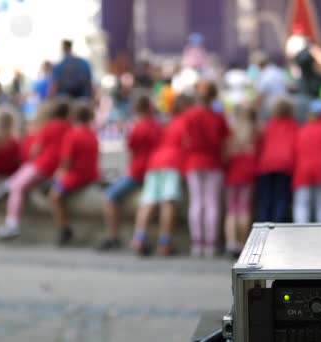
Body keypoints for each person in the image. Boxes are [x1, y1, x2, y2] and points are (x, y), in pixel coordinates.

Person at [0, 100, 72, 239]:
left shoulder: (49, 127)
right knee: (21, 179)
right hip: (54, 168)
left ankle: (12, 222)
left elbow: (35, 150)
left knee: (17, 187)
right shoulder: (69, 127)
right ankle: (4, 188)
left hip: (42, 164)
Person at [131, 95, 194, 256]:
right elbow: (188, 143)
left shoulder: (168, 122)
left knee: (148, 201)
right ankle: (165, 242)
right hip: (173, 162)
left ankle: (139, 238)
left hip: (155, 162)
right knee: (168, 202)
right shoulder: (187, 122)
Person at [98, 96, 162, 251]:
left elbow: (131, 150)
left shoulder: (139, 127)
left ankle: (112, 236)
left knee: (109, 197)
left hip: (138, 171)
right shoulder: (157, 126)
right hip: (154, 169)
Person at [183, 83, 230, 257]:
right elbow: (225, 143)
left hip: (194, 161)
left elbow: (185, 140)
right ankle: (210, 243)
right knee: (212, 203)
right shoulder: (218, 117)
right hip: (214, 162)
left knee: (196, 203)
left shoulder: (190, 116)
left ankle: (197, 243)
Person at [49, 103, 99, 246]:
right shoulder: (92, 134)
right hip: (91, 174)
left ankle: (64, 227)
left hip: (77, 175)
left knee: (54, 196)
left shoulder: (72, 134)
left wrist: (59, 174)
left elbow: (67, 161)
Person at [255, 98, 299, 223]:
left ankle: (263, 227)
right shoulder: (293, 126)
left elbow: (260, 144)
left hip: (266, 165)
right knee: (281, 198)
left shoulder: (268, 125)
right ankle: (277, 227)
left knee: (265, 200)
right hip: (285, 166)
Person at [224, 104, 258, 258]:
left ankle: (232, 243)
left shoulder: (231, 131)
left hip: (233, 171)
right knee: (244, 209)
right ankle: (244, 242)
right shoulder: (253, 130)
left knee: (232, 210)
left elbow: (226, 152)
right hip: (248, 171)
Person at [292, 99, 321, 223]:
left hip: (303, 170)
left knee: (302, 204)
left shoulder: (302, 130)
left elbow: (295, 151)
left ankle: (300, 235)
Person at [251, 51, 288, 123]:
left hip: (273, 110)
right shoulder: (278, 71)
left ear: (258, 65)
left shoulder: (264, 77)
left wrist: (254, 110)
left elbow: (259, 97)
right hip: (284, 107)